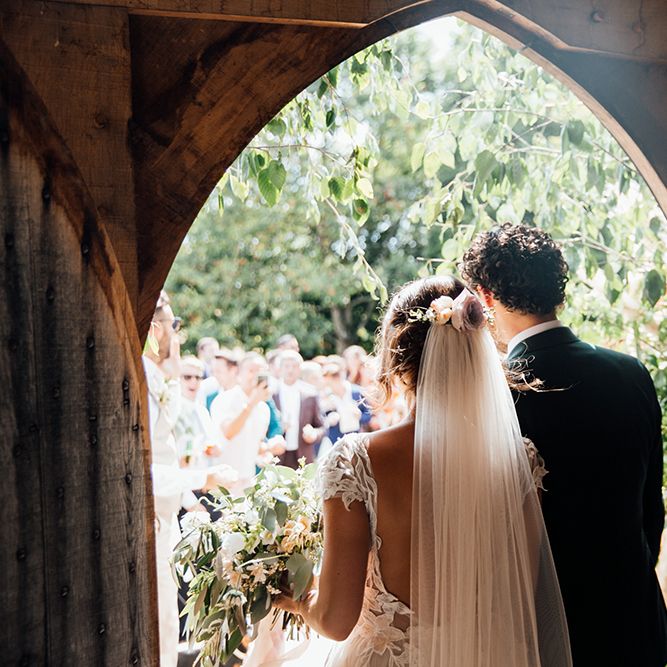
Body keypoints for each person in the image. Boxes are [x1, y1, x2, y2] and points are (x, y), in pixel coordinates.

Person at [275, 276, 571, 666]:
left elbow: (335, 621)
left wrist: (297, 599)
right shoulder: (520, 461)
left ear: (396, 361)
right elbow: (520, 593)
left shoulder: (357, 460)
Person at [461, 223, 667, 666]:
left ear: (487, 296)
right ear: (557, 288)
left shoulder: (493, 396)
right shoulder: (631, 374)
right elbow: (652, 510)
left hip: (547, 633)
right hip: (635, 619)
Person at [143, 292, 233, 667]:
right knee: (161, 626)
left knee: (165, 626)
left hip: (163, 523)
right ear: (155, 328)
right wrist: (202, 478)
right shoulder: (143, 379)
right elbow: (143, 468)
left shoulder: (158, 380)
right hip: (150, 525)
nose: (177, 334)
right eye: (174, 324)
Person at [209, 352, 271, 493]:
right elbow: (228, 433)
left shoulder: (264, 408)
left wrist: (267, 451)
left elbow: (257, 442)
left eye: (261, 371)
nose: (256, 375)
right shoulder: (224, 400)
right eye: (251, 371)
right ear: (239, 373)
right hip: (224, 480)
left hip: (249, 480)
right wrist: (251, 404)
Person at [272, 350, 325, 468]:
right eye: (286, 366)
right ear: (280, 369)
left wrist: (313, 434)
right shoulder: (270, 393)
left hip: (303, 455)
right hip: (276, 456)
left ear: (300, 369)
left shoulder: (310, 393)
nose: (290, 370)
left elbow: (321, 426)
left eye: (294, 366)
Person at [321, 363, 371, 446]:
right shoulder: (326, 396)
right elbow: (320, 420)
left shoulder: (357, 392)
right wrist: (329, 419)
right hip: (335, 441)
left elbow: (368, 414)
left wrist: (360, 416)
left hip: (356, 438)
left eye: (329, 384)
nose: (328, 387)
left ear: (337, 379)